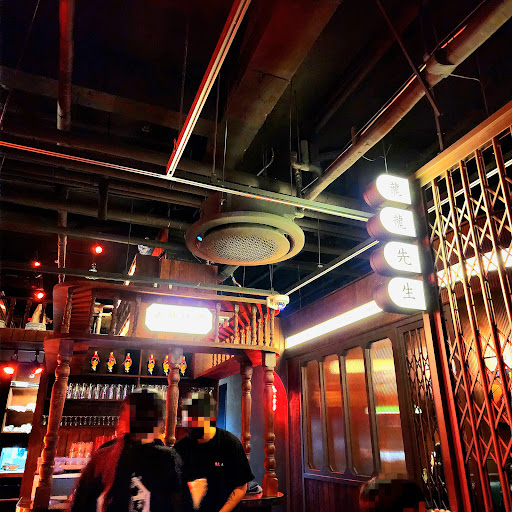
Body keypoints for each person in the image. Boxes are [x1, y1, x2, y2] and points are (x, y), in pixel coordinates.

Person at [70, 388, 182, 512]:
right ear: (160, 422)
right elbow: (180, 504)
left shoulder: (102, 456)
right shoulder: (167, 458)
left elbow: (80, 505)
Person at [174, 391, 254, 512]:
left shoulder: (230, 443)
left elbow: (241, 487)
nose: (191, 424)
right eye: (189, 419)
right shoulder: (180, 449)